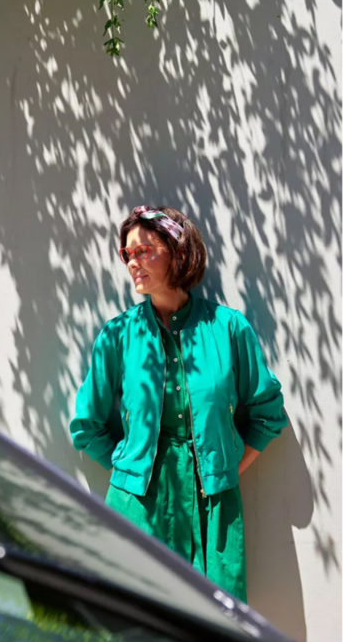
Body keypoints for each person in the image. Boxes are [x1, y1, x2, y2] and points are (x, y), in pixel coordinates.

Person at [70, 205, 288, 602]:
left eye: (144, 251)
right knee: (140, 625)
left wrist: (229, 467)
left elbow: (268, 414)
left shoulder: (228, 328)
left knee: (218, 626)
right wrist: (130, 470)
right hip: (139, 505)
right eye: (127, 254)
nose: (133, 262)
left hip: (214, 507)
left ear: (177, 251)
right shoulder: (118, 335)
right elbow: (87, 426)